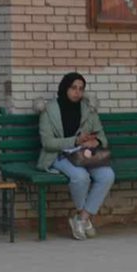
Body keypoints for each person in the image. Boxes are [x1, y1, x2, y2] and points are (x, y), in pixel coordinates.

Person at [39, 72, 114, 241]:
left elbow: (102, 136)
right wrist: (74, 141)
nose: (77, 92)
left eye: (81, 89)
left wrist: (96, 142)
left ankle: (82, 219)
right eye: (73, 88)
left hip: (84, 155)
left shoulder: (88, 109)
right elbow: (47, 143)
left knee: (107, 175)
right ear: (65, 88)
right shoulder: (49, 111)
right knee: (80, 177)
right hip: (59, 155)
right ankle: (83, 217)